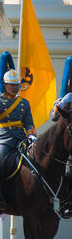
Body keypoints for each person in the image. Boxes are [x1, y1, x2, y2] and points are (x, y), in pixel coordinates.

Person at [0, 51, 36, 214]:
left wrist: (32, 134)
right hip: (4, 139)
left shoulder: (24, 103)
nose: (15, 88)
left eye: (17, 85)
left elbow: (28, 122)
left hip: (21, 139)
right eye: (12, 85)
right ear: (5, 85)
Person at [50, 56, 72, 218]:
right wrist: (63, 104)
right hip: (66, 143)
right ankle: (66, 203)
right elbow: (54, 117)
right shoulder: (64, 98)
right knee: (66, 169)